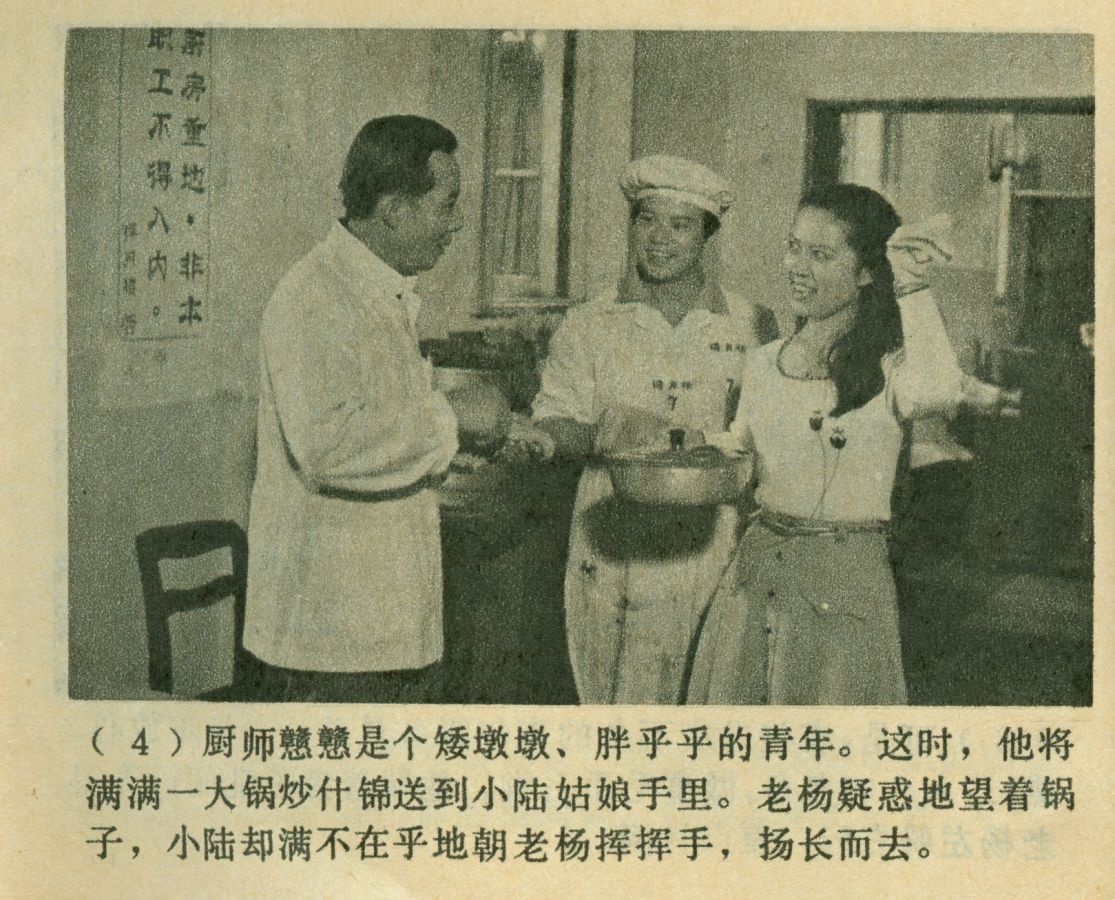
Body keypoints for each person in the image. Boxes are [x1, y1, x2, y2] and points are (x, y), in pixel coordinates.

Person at [686, 183, 1018, 706]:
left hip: (845, 583)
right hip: (755, 575)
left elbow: (941, 387)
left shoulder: (891, 368)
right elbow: (743, 453)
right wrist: (694, 448)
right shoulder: (763, 361)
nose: (798, 267)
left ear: (865, 272)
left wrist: (912, 283)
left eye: (820, 255)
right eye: (794, 247)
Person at [242, 115, 500, 703]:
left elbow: (385, 428)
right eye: (447, 204)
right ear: (394, 210)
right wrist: (453, 419)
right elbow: (329, 445)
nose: (458, 223)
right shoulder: (315, 295)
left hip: (382, 627)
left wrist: (464, 440)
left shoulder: (379, 291)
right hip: (331, 636)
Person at [531, 154, 763, 704]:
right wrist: (600, 435)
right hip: (613, 540)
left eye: (680, 225)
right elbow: (550, 422)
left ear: (707, 235)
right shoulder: (590, 322)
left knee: (705, 697)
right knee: (611, 695)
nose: (659, 239)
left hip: (712, 542)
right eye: (647, 220)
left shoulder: (752, 324)